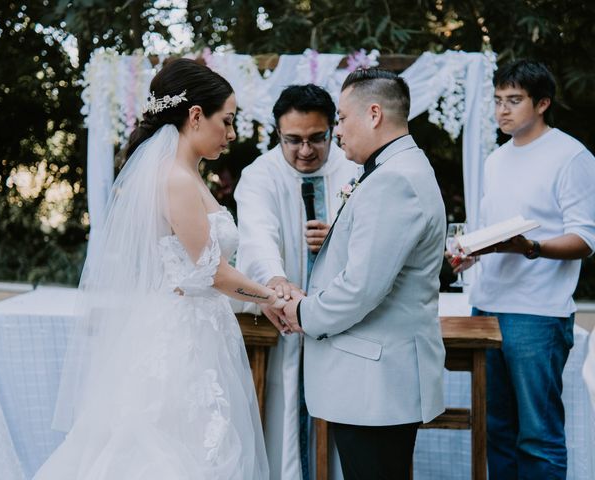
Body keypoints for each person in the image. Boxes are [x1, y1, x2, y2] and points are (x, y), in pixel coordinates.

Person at [34, 58, 288, 479]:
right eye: (226, 121)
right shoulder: (177, 180)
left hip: (198, 328)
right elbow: (214, 273)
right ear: (194, 116)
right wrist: (273, 298)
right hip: (183, 338)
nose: (231, 133)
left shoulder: (186, 175)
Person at [279, 68, 447, 480]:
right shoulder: (397, 169)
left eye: (341, 118)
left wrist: (303, 313)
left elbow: (361, 288)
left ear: (373, 114)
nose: (337, 131)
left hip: (376, 383)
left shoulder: (394, 180)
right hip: (373, 381)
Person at [451, 60, 595, 479]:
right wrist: (470, 252)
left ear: (543, 103)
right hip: (487, 309)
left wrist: (530, 247)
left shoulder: (572, 156)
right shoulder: (495, 160)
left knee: (538, 436)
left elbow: (585, 240)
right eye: (497, 101)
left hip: (538, 314)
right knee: (495, 430)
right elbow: (492, 231)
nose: (502, 111)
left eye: (514, 101)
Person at [234, 84, 358, 480]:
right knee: (285, 417)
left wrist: (338, 237)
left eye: (316, 139)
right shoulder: (259, 175)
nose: (305, 151)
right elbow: (256, 235)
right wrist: (276, 280)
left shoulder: (354, 169)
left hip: (345, 328)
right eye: (293, 140)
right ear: (277, 134)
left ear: (332, 130)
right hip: (286, 326)